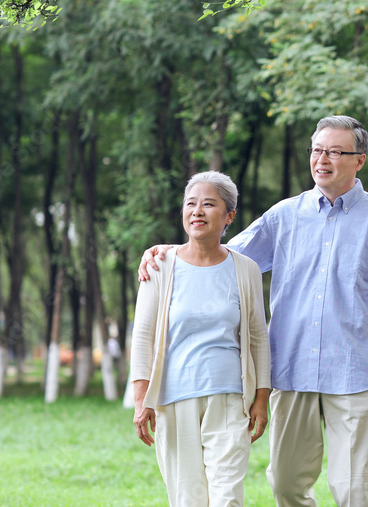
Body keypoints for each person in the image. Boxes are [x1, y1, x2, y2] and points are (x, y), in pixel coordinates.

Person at [139, 115, 368, 507]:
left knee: (354, 490)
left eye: (336, 151)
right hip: (292, 371)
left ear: (359, 160)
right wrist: (169, 254)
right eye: (318, 150)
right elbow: (221, 255)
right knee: (287, 487)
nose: (323, 159)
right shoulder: (284, 216)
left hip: (355, 371)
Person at [131, 171, 271, 506]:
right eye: (191, 204)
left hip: (230, 397)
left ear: (229, 216)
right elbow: (143, 335)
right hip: (174, 398)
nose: (197, 211)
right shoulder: (161, 265)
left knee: (227, 497)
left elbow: (258, 339)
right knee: (187, 499)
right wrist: (141, 400)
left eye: (209, 204)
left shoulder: (246, 268)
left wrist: (262, 400)